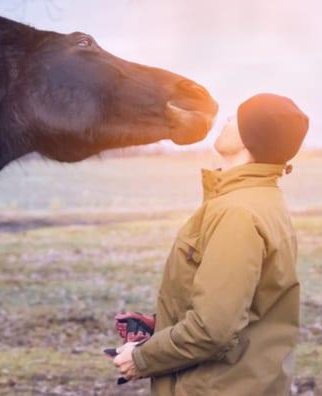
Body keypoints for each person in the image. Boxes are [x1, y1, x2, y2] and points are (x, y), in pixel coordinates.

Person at [112, 93, 309, 395]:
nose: (226, 120)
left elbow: (212, 329)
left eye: (235, 117)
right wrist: (161, 325)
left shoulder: (237, 213)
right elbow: (242, 304)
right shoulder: (261, 199)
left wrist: (141, 359)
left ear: (249, 137)